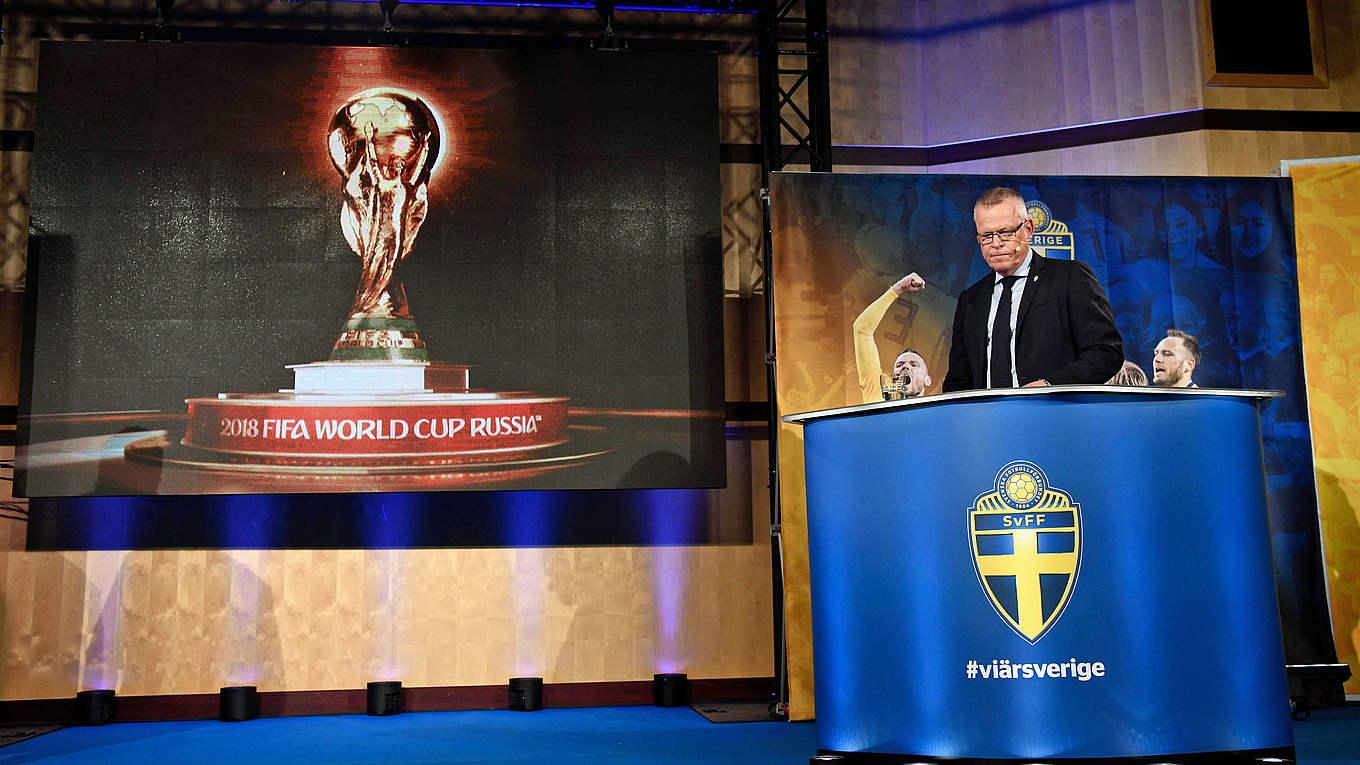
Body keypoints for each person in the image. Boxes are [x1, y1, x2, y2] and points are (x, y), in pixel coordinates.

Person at [943, 188, 1123, 391]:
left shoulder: (1070, 278)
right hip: (988, 412)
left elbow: (1106, 352)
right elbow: (958, 381)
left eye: (1005, 233)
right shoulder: (971, 300)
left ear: (1028, 229)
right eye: (986, 236)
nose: (996, 243)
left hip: (1052, 408)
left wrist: (1049, 386)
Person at [852, 273, 931, 403]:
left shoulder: (938, 411)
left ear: (927, 380)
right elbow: (862, 330)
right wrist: (898, 288)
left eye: (914, 364)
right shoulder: (877, 396)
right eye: (899, 365)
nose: (905, 367)